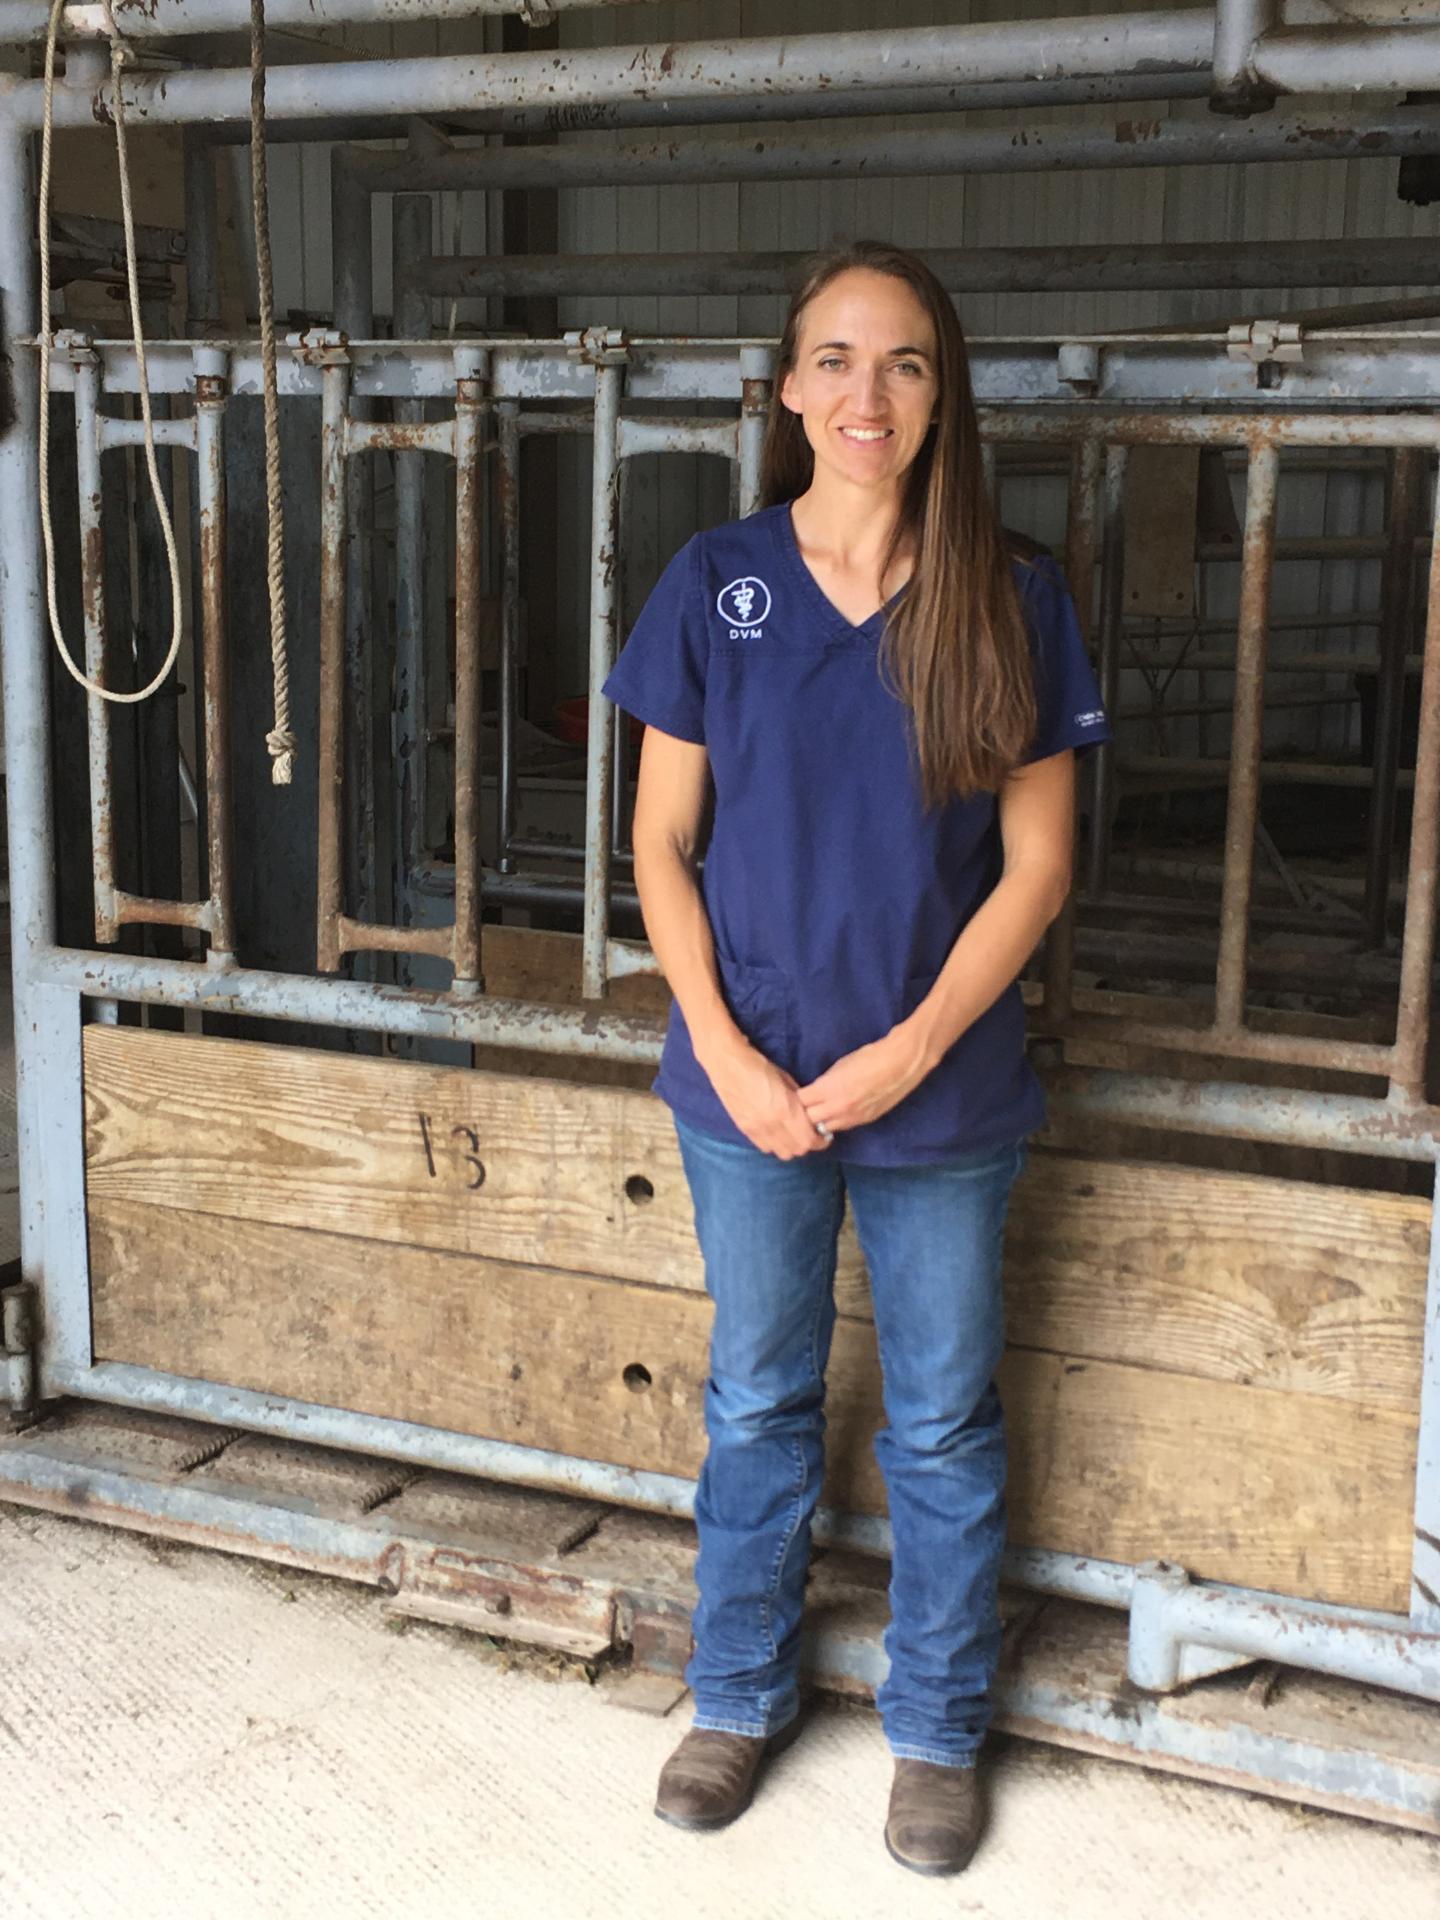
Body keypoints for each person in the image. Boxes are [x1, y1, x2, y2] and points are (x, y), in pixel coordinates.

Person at [601, 239, 1113, 1877]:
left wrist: (906, 1053)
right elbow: (658, 847)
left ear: (941, 386)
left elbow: (1037, 867)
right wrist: (731, 1056)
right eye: (833, 358)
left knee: (945, 1421)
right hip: (747, 1082)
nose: (864, 393)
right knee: (759, 1396)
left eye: (898, 361)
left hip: (940, 1088)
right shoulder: (717, 583)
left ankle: (938, 1729)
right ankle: (737, 1694)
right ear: (786, 388)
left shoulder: (1012, 595)